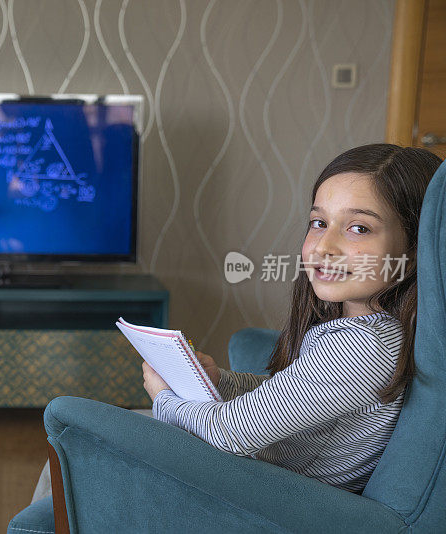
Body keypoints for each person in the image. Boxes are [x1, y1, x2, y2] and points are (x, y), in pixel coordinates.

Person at [144, 143, 442, 493]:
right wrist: (222, 381)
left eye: (359, 228)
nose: (323, 246)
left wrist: (163, 399)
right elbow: (292, 399)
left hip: (276, 500)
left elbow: (229, 432)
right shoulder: (369, 334)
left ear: (412, 251)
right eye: (319, 222)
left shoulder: (365, 346)